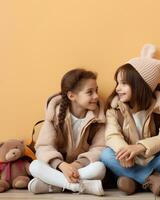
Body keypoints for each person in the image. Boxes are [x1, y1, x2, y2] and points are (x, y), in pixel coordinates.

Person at [101, 44, 160, 196]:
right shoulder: (115, 110)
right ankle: (149, 179)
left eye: (124, 83)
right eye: (117, 83)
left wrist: (141, 147)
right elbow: (112, 136)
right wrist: (124, 151)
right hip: (127, 161)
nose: (118, 88)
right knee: (105, 155)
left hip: (153, 159)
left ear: (141, 86)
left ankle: (134, 182)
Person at [28, 68, 106, 196]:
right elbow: (44, 147)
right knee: (34, 166)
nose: (96, 96)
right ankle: (79, 187)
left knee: (100, 168)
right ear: (71, 96)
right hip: (58, 168)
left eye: (96, 91)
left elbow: (99, 148)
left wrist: (76, 165)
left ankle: (55, 185)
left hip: (82, 168)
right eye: (89, 92)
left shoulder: (99, 118)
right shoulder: (54, 114)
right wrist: (62, 165)